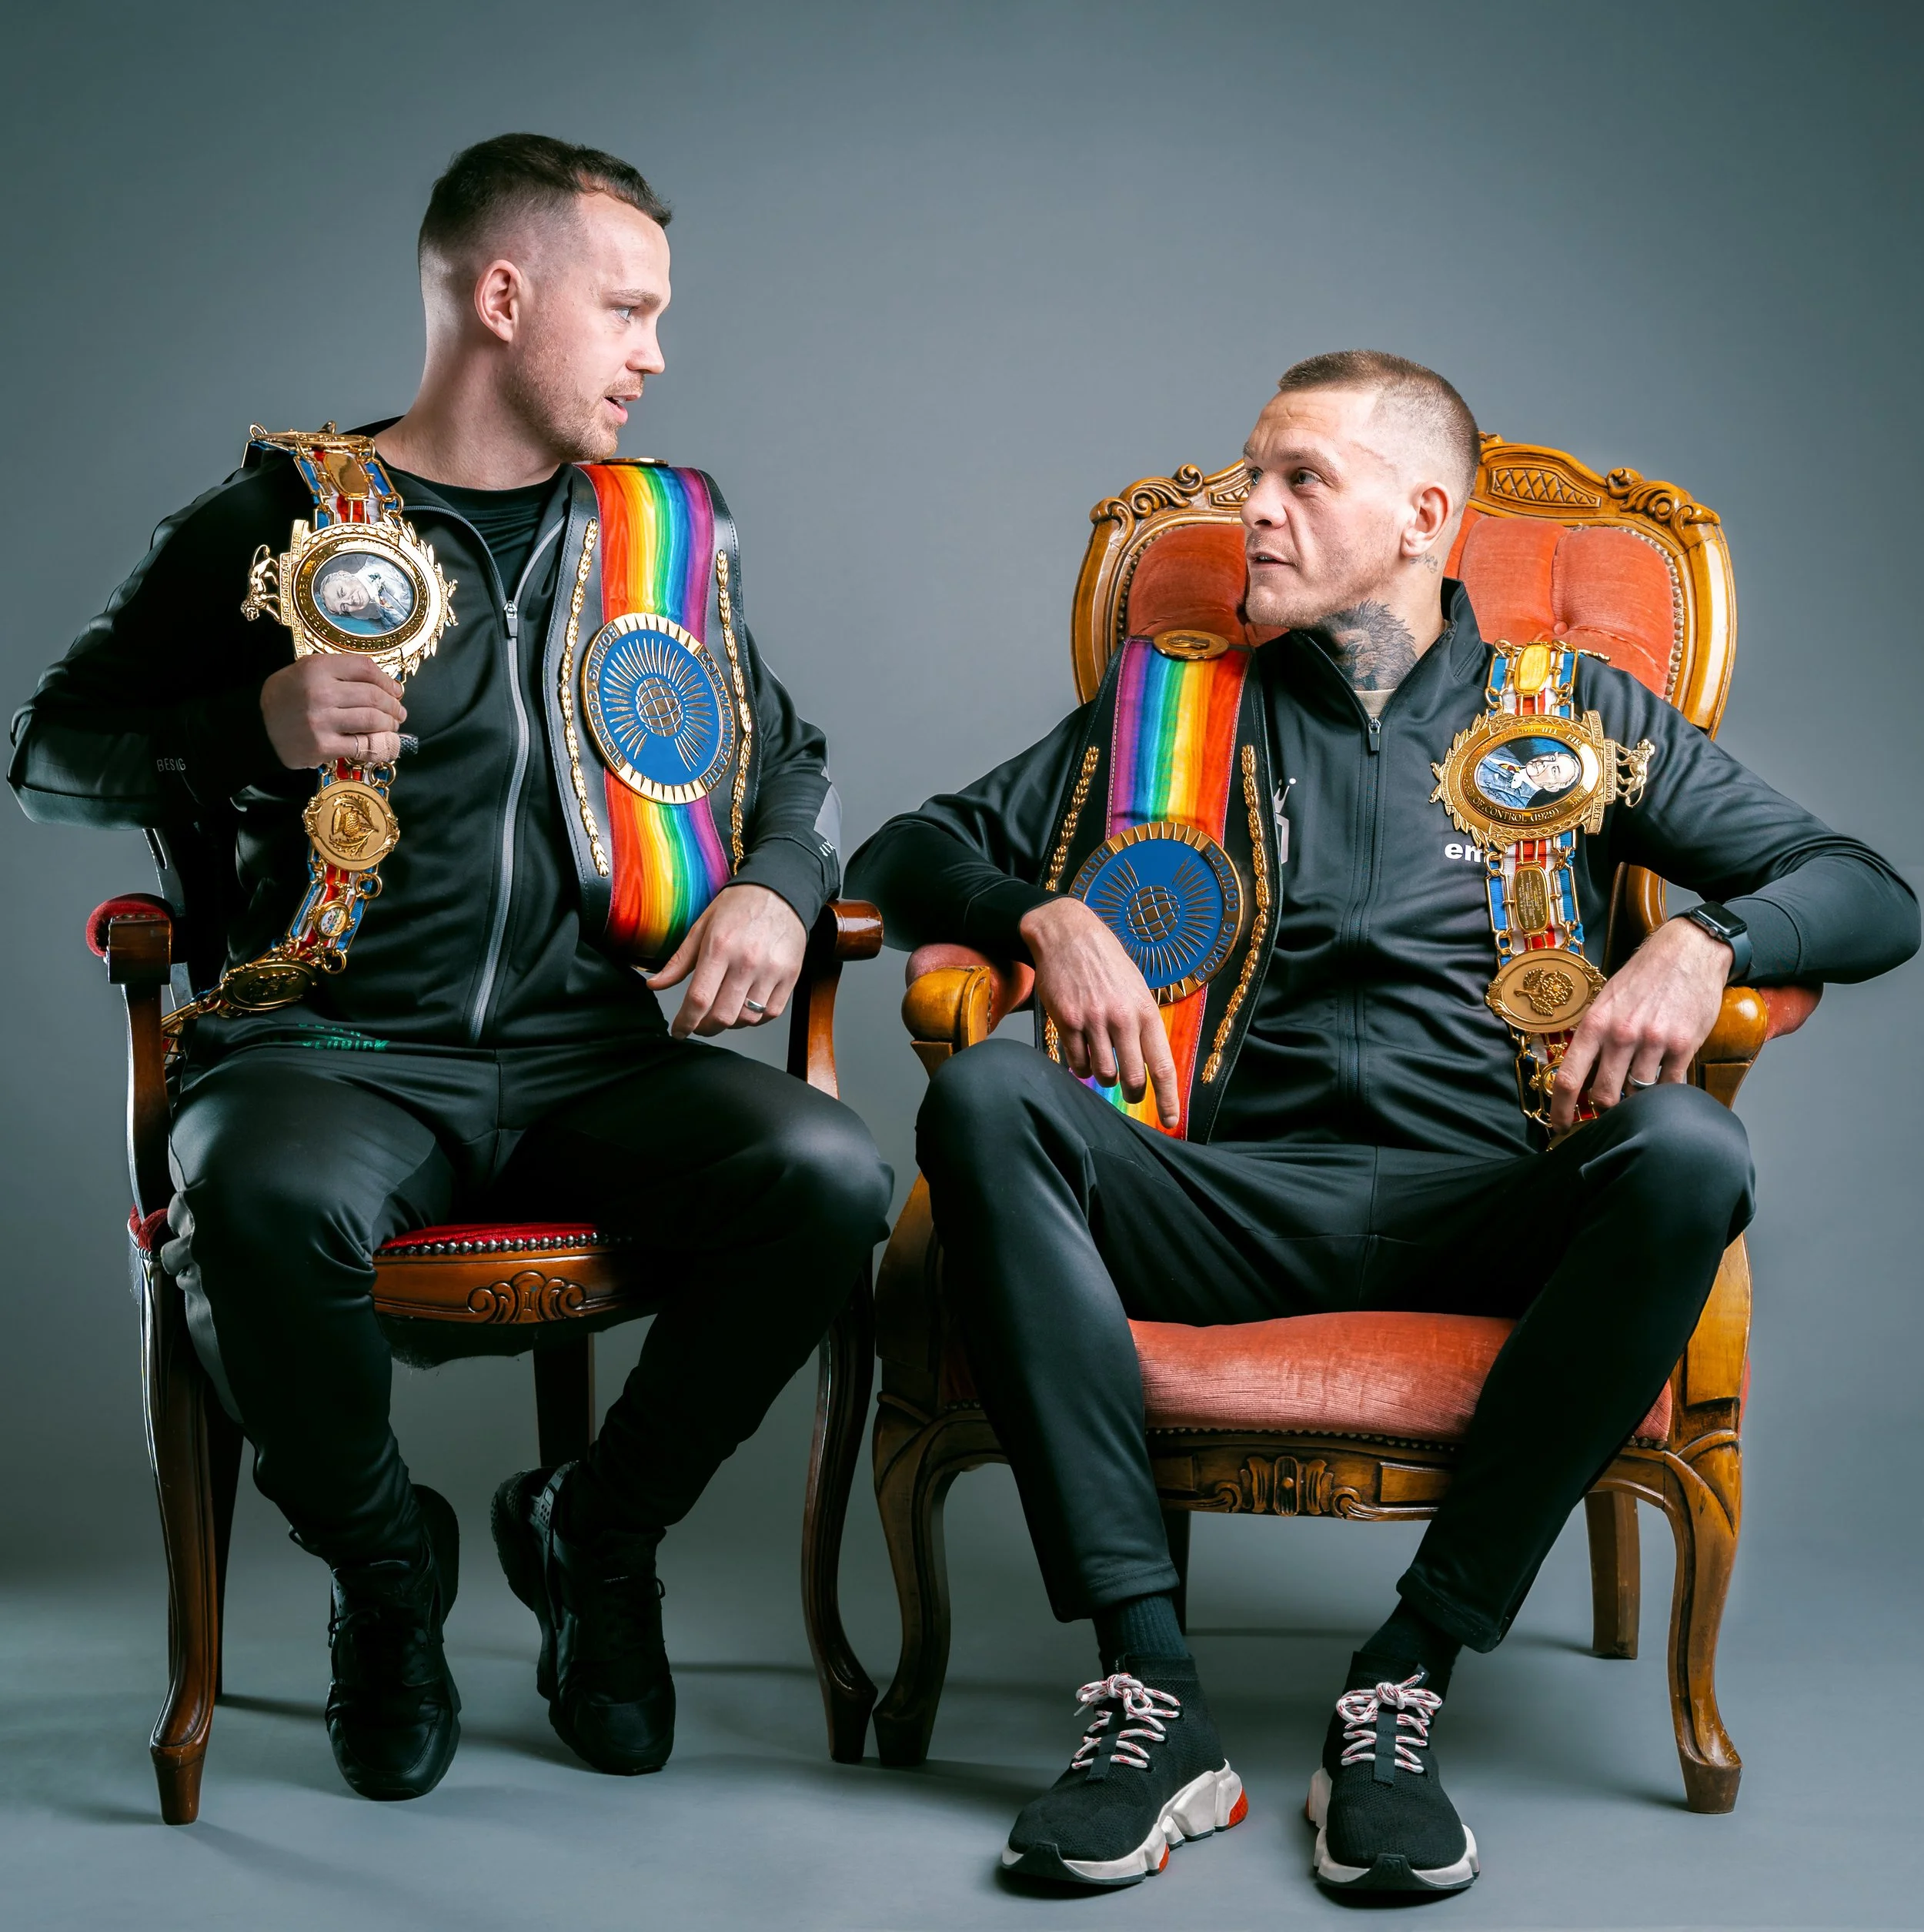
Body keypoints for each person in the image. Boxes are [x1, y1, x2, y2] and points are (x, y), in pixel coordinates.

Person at [847, 350, 1917, 1894]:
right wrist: (1042, 915)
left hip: (1489, 1209)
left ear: (1423, 515)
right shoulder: (1173, 708)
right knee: (989, 1092)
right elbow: (908, 845)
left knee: (1689, 1151)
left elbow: (1869, 893)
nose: (1253, 515)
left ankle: (1401, 1681)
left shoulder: (1575, 716)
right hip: (1221, 1202)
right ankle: (1152, 1704)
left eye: (1298, 480)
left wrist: (1703, 943)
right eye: (1248, 476)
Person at [10, 133, 890, 1802]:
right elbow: (53, 749)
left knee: (829, 1174)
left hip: (584, 1052)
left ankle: (595, 1535)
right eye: (626, 309)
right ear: (503, 295)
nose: (653, 354)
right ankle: (385, 1577)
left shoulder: (661, 539)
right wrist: (243, 728)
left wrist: (776, 887)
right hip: (328, 1052)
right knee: (258, 1202)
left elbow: (792, 754)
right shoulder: (280, 518)